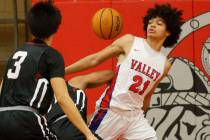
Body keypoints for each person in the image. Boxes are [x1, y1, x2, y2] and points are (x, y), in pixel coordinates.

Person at [65, 3, 183, 140]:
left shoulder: (165, 64)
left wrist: (143, 111)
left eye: (159, 24)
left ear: (169, 31)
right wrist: (63, 71)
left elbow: (148, 93)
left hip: (135, 117)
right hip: (111, 111)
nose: (152, 25)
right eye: (150, 22)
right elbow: (95, 59)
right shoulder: (130, 42)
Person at [0, 1, 96, 140]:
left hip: (2, 117)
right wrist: (88, 134)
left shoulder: (16, 53)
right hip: (27, 119)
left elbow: (2, 87)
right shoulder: (52, 55)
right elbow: (62, 98)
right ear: (56, 28)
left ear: (30, 25)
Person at [47, 70, 114, 140]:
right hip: (63, 130)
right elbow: (110, 75)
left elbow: (109, 75)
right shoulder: (73, 84)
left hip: (55, 130)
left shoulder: (73, 84)